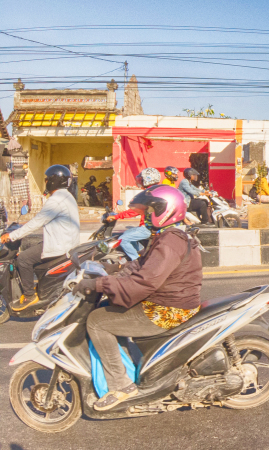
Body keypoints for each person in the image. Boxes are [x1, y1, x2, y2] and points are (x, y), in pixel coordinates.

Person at [79, 185, 203, 411]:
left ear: (164, 210)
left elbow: (145, 281)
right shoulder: (168, 236)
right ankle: (127, 365)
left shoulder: (170, 241)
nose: (145, 216)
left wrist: (98, 284)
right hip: (166, 300)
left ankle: (121, 385)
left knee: (96, 321)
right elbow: (141, 265)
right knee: (108, 307)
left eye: (148, 211)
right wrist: (112, 269)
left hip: (167, 309)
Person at [0, 165, 81, 311]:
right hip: (67, 242)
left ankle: (29, 296)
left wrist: (11, 235)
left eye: (47, 179)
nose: (45, 182)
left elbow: (36, 223)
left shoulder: (56, 200)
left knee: (23, 259)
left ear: (53, 181)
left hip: (60, 245)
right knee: (32, 248)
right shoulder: (67, 196)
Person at [105, 168, 162, 260]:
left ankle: (136, 261)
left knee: (122, 240)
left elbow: (135, 211)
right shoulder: (156, 191)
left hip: (147, 228)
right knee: (128, 232)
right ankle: (142, 253)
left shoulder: (148, 194)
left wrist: (116, 216)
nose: (140, 181)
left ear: (148, 180)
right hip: (152, 226)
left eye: (142, 179)